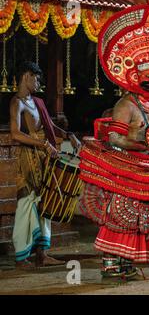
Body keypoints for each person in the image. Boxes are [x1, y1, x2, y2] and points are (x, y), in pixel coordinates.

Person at [77, 0, 149, 278]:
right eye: (148, 74)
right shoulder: (125, 105)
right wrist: (142, 140)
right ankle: (111, 263)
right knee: (120, 216)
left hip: (148, 169)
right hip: (126, 169)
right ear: (136, 77)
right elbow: (114, 138)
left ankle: (127, 262)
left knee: (142, 219)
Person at [9, 61, 81, 268]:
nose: (38, 82)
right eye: (36, 78)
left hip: (43, 156)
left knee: (45, 202)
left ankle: (42, 254)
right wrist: (43, 143)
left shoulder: (36, 101)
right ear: (26, 76)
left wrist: (68, 135)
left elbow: (49, 125)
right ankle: (21, 257)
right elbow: (15, 133)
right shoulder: (17, 102)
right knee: (26, 204)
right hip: (28, 159)